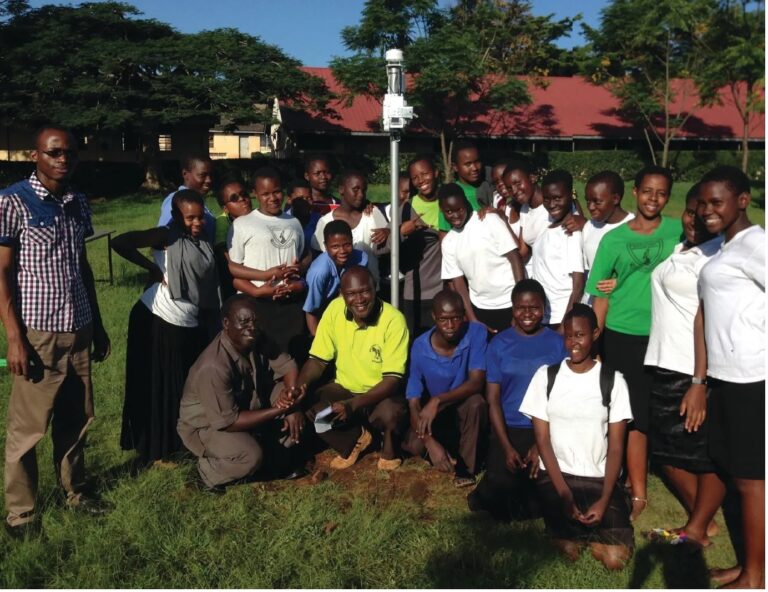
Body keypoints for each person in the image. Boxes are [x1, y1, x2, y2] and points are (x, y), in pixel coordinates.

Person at [0, 126, 112, 537]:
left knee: (76, 419)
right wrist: (15, 338)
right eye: (54, 152)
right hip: (39, 334)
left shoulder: (77, 201)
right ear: (36, 155)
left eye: (70, 153)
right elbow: (2, 273)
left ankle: (75, 490)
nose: (63, 159)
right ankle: (21, 513)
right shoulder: (13, 202)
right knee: (29, 428)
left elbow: (82, 265)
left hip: (79, 327)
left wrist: (97, 324)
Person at [585, 165, 682, 521]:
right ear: (635, 192)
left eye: (661, 193)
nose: (653, 199)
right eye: (647, 191)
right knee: (633, 415)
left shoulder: (678, 230)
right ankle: (638, 491)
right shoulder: (614, 240)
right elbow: (600, 296)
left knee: (660, 411)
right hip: (624, 335)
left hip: (669, 334)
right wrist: (594, 342)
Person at [520, 304, 634, 570]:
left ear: (595, 334)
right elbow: (543, 440)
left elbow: (617, 447)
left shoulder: (612, 380)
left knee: (615, 560)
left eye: (580, 335)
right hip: (558, 479)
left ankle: (595, 528)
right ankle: (574, 532)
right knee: (565, 553)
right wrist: (564, 494)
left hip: (598, 478)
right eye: (569, 336)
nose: (574, 342)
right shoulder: (546, 377)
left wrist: (605, 498)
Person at [113, 189, 220, 465]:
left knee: (182, 384)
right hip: (158, 318)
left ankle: (181, 441)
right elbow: (122, 243)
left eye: (200, 217)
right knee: (160, 385)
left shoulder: (203, 240)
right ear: (175, 216)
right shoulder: (166, 236)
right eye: (190, 218)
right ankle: (158, 448)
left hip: (188, 319)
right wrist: (153, 268)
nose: (197, 223)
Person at [695, 166, 764, 589]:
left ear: (742, 200)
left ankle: (756, 577)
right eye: (702, 203)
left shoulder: (757, 245)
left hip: (752, 378)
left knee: (751, 480)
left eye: (716, 202)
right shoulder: (723, 247)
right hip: (723, 377)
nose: (706, 210)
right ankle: (746, 565)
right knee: (730, 471)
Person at [644, 184, 723, 547]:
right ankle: (701, 523)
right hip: (663, 362)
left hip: (688, 368)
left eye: (702, 213)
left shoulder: (715, 259)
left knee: (698, 453)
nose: (694, 219)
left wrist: (699, 381)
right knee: (666, 449)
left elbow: (711, 320)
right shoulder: (682, 248)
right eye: (690, 211)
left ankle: (701, 524)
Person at [177, 295, 309, 493]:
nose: (252, 327)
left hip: (246, 403)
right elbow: (229, 421)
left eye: (255, 321)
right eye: (244, 322)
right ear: (226, 324)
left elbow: (287, 366)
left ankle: (271, 456)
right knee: (250, 455)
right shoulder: (213, 366)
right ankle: (207, 473)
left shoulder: (257, 337)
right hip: (207, 426)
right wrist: (279, 410)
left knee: (293, 416)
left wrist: (291, 399)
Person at [468, 280, 567, 521]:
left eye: (534, 308)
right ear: (513, 309)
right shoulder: (500, 344)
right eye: (521, 308)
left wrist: (540, 446)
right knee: (498, 491)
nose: (527, 314)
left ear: (543, 309)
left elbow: (563, 397)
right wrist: (506, 446)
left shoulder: (557, 343)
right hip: (509, 429)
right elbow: (493, 399)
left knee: (541, 496)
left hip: (545, 428)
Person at [298, 266, 409, 471]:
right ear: (342, 294)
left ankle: (389, 449)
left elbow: (392, 380)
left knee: (392, 412)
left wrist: (353, 404)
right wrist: (299, 386)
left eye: (365, 291)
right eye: (351, 294)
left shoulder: (394, 320)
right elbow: (317, 361)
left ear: (375, 289)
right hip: (345, 387)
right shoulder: (334, 309)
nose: (359, 299)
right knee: (309, 403)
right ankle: (354, 439)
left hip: (379, 393)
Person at [402, 290, 488, 487]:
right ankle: (443, 452)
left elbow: (476, 382)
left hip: (464, 409)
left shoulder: (475, 333)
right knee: (415, 444)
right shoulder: (420, 346)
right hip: (439, 417)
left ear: (463, 316)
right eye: (443, 319)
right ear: (434, 317)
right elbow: (413, 400)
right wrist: (429, 443)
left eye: (456, 318)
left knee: (476, 403)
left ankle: (466, 469)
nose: (450, 326)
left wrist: (437, 399)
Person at [227, 166, 308, 356]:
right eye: (265, 194)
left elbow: (305, 254)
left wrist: (300, 268)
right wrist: (264, 279)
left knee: (290, 355)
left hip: (289, 303)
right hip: (257, 302)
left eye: (277, 192)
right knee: (260, 356)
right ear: (255, 194)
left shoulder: (293, 222)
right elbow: (234, 268)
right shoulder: (242, 224)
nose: (273, 198)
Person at [439, 183, 524, 333]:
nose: (456, 215)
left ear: (465, 203)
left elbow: (514, 257)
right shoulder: (448, 242)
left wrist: (520, 304)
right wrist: (472, 318)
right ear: (442, 211)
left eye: (459, 209)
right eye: (449, 211)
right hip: (481, 308)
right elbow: (458, 283)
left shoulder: (488, 220)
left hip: (510, 301)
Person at [311, 170, 390, 286]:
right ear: (341, 189)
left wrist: (388, 232)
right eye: (355, 190)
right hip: (338, 291)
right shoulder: (325, 221)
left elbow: (387, 249)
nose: (361, 195)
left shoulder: (372, 214)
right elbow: (318, 258)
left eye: (364, 190)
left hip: (371, 288)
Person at [530, 170, 585, 328]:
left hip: (560, 318)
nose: (551, 204)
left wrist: (565, 323)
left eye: (557, 198)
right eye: (547, 199)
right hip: (545, 316)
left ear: (570, 195)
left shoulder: (571, 232)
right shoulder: (548, 225)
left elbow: (578, 283)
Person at [400, 155, 444, 338]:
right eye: (415, 177)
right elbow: (386, 246)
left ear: (436, 173)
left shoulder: (450, 200)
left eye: (424, 174)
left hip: (445, 289)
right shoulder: (406, 208)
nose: (420, 181)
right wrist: (401, 231)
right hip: (416, 291)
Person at [303, 219, 368, 336]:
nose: (342, 251)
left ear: (352, 241)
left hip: (349, 309)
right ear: (325, 246)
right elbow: (311, 310)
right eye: (335, 246)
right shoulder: (319, 272)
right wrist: (317, 341)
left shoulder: (361, 259)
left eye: (347, 245)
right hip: (322, 311)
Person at [581, 170, 634, 279]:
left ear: (615, 199)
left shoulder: (635, 226)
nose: (590, 207)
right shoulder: (589, 226)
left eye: (597, 202)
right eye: (588, 201)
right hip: (592, 295)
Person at [157, 153, 216, 243]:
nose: (209, 180)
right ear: (185, 174)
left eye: (210, 175)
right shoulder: (177, 201)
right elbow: (164, 235)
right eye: (202, 175)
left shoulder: (197, 200)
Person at [212, 175, 253, 302]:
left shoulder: (257, 217)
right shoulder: (223, 221)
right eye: (234, 198)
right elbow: (222, 249)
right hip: (233, 275)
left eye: (244, 194)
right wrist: (238, 270)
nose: (242, 199)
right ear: (225, 208)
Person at [448, 139, 493, 213]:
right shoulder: (450, 194)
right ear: (455, 167)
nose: (474, 168)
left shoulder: (491, 187)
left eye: (477, 162)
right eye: (468, 164)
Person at [285, 179, 321, 250]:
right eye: (300, 198)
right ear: (289, 199)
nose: (305, 202)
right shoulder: (282, 220)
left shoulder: (319, 220)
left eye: (308, 198)